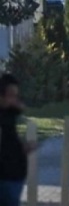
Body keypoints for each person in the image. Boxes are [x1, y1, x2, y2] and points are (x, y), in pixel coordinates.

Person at [0, 74, 33, 206]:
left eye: (16, 95)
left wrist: (22, 148)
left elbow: (20, 108)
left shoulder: (10, 112)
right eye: (11, 95)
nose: (14, 99)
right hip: (6, 175)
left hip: (15, 174)